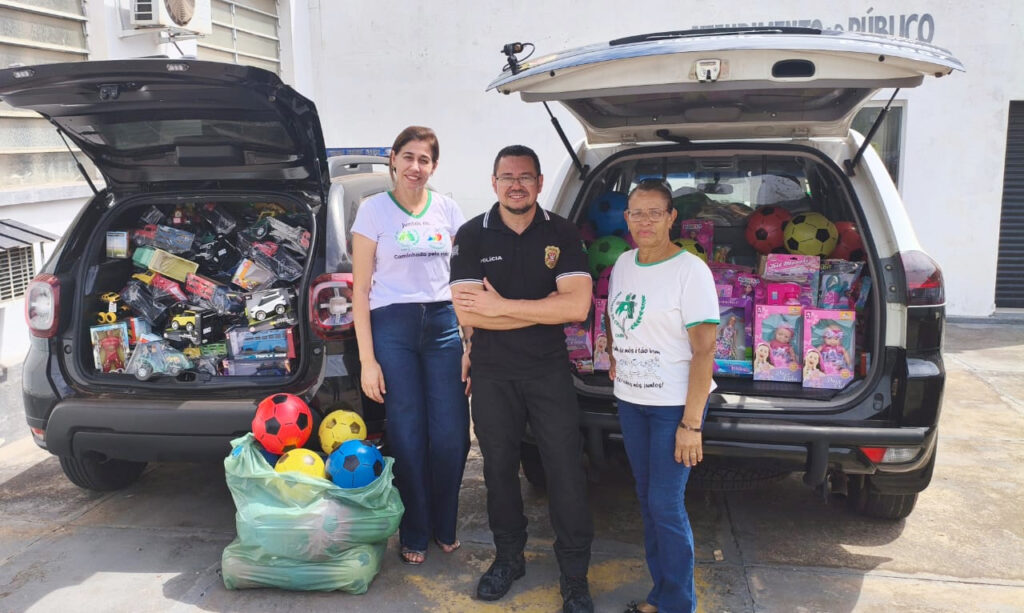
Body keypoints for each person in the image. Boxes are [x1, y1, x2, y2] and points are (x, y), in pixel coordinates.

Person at [450, 145, 595, 613]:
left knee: (566, 472)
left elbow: (576, 307)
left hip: (548, 371)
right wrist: (539, 311)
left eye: (526, 176)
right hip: (492, 375)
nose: (517, 184)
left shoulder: (563, 232)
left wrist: (501, 307)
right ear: (494, 183)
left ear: (538, 183)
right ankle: (508, 558)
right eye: (507, 176)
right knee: (497, 471)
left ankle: (574, 576)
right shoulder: (472, 235)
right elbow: (468, 310)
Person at [350, 125, 470, 566]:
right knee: (407, 431)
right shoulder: (373, 211)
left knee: (452, 432)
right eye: (409, 157)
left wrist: (470, 342)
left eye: (425, 160)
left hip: (443, 324)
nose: (415, 168)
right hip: (392, 327)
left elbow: (464, 282)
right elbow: (360, 290)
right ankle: (414, 529)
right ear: (393, 160)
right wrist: (367, 360)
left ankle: (446, 524)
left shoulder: (449, 209)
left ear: (433, 166)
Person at [605, 179, 719, 613]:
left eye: (655, 212)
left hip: (672, 407)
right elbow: (619, 317)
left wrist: (691, 425)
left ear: (672, 217)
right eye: (637, 212)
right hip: (632, 401)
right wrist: (616, 352)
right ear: (626, 218)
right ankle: (661, 594)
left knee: (666, 506)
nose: (645, 220)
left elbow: (704, 348)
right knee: (647, 500)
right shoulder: (623, 263)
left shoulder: (691, 270)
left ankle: (677, 604)